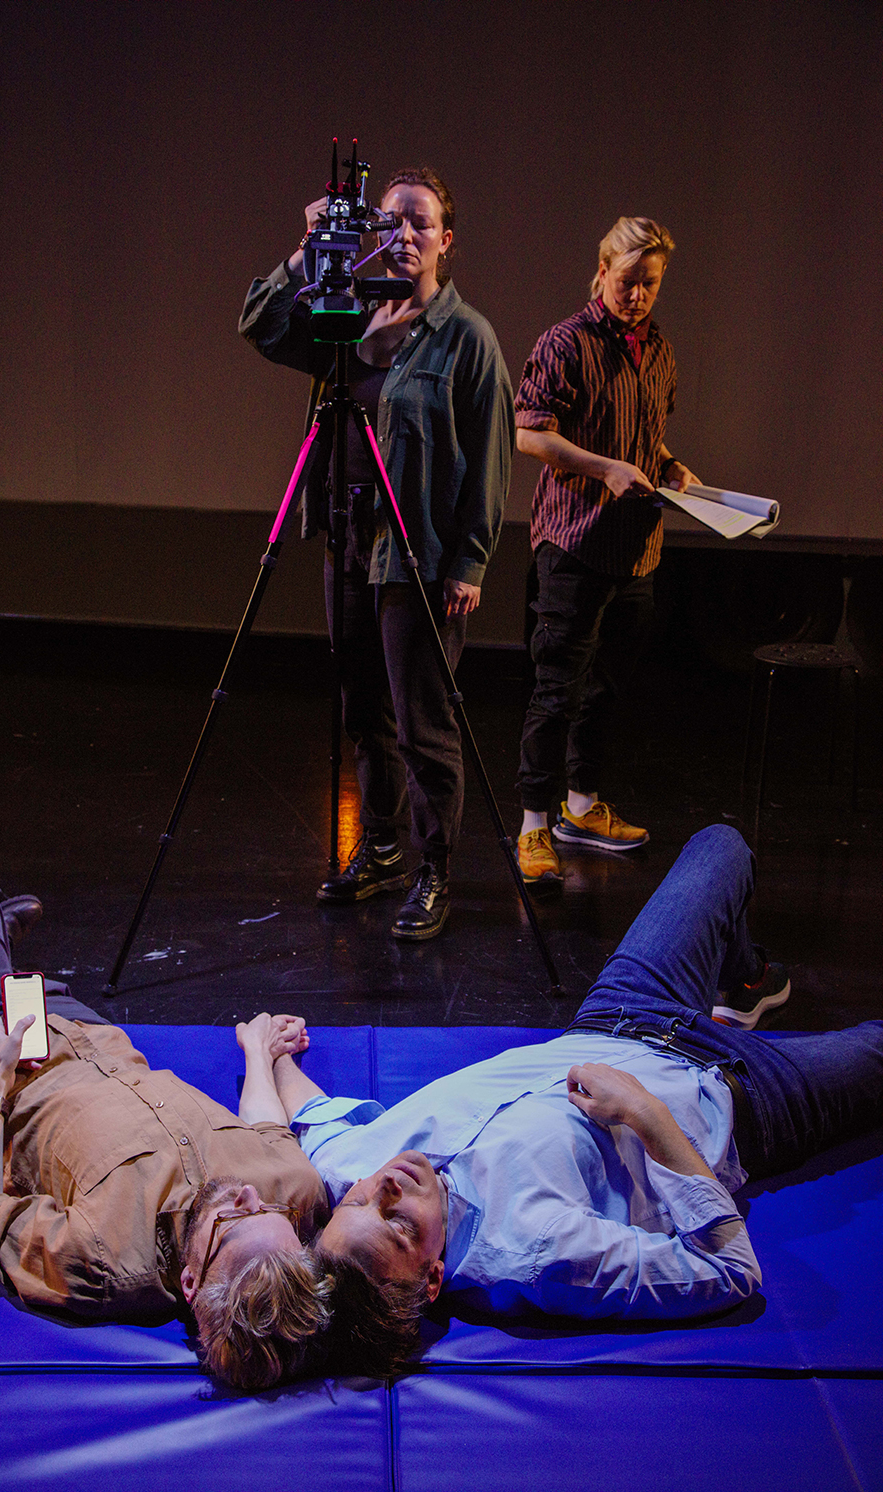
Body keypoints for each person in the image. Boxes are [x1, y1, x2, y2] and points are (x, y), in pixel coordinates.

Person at [265, 825, 881, 1371]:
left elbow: (310, 1119)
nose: (386, 1190)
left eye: (361, 1203)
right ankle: (735, 1013)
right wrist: (646, 1114)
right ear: (431, 1280)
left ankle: (744, 984)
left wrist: (269, 1053)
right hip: (742, 1092)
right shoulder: (542, 1255)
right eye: (397, 1225)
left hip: (622, 1010)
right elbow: (729, 1272)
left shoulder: (346, 1173)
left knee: (722, 847)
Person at [0, 853, 330, 1392]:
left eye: (233, 1223)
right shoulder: (294, 1194)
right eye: (266, 1209)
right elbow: (267, 1135)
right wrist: (260, 1052)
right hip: (91, 1033)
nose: (246, 1197)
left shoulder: (101, 1261)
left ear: (190, 1282)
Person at [240, 167, 514, 940]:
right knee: (364, 710)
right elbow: (259, 324)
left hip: (419, 556)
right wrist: (306, 252)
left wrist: (471, 564)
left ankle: (435, 870)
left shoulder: (468, 338)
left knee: (423, 719)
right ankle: (386, 847)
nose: (403, 236)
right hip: (351, 541)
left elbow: (492, 461)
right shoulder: (347, 313)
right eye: (389, 222)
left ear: (445, 241)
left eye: (420, 223)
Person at [513, 216, 702, 889]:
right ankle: (535, 822)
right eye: (629, 281)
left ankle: (582, 809)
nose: (639, 295)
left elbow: (648, 438)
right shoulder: (566, 343)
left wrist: (673, 468)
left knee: (605, 688)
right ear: (601, 272)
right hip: (573, 543)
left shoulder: (661, 351)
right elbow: (531, 435)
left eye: (650, 284)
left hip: (637, 551)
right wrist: (605, 469)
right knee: (557, 687)